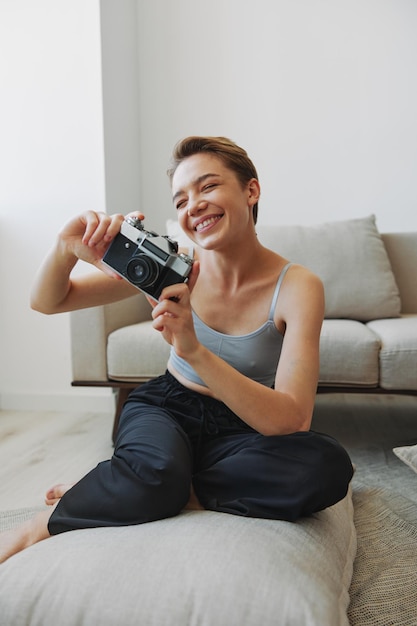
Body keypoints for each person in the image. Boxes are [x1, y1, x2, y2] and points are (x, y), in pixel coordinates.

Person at [0, 136, 353, 563]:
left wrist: (194, 349)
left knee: (327, 466)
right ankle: (46, 522)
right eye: (181, 200)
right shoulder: (172, 265)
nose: (193, 206)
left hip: (244, 427)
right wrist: (65, 247)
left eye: (207, 187)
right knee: (159, 468)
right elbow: (48, 301)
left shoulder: (298, 286)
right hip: (167, 406)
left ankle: (153, 484)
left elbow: (292, 420)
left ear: (251, 190)